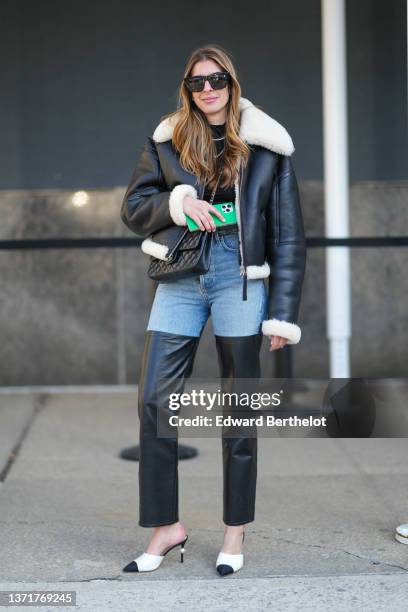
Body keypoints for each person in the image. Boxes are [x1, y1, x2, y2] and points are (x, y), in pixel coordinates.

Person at [120, 44, 307, 575]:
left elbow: (288, 237)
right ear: (188, 87)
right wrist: (179, 201)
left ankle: (234, 533)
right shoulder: (167, 139)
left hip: (238, 279)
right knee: (153, 400)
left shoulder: (268, 146)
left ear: (232, 81)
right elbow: (134, 206)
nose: (207, 90)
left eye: (217, 79)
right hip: (182, 276)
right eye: (197, 82)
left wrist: (283, 314)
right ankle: (166, 528)